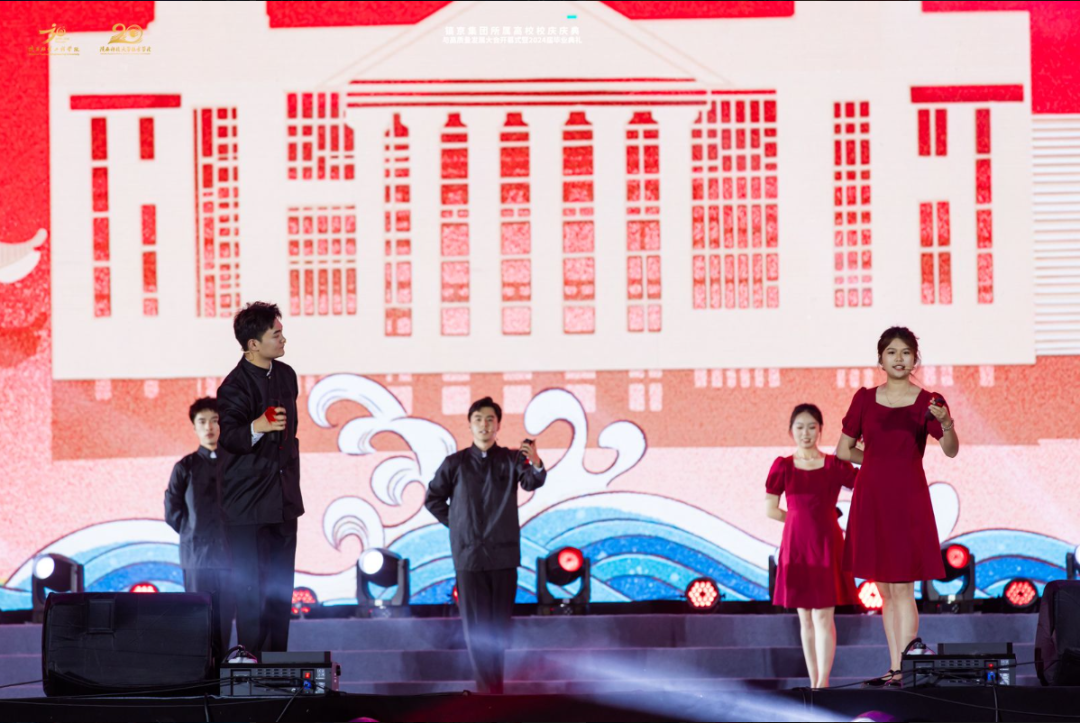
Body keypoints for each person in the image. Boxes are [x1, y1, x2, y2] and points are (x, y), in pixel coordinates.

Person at [835, 326, 959, 688]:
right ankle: (895, 667)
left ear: (915, 359)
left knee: (904, 588)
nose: (899, 358)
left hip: (907, 499)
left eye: (906, 352)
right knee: (886, 591)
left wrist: (946, 423)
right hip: (872, 498)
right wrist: (877, 462)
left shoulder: (928, 401)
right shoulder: (864, 399)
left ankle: (908, 667)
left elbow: (950, 450)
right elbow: (843, 450)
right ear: (880, 359)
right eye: (891, 352)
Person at [424, 396, 546, 694]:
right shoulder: (455, 463)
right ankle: (485, 693)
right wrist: (459, 525)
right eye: (478, 419)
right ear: (470, 425)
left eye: (490, 419)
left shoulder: (511, 459)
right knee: (477, 631)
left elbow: (531, 481)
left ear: (498, 425)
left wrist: (536, 462)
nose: (484, 425)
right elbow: (433, 499)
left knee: (498, 629)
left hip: (503, 557)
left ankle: (496, 691)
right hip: (469, 559)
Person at [216, 302, 303, 660]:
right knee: (252, 593)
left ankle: (277, 665)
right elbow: (230, 437)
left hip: (283, 502)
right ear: (253, 344)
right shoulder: (233, 386)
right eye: (275, 334)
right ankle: (251, 664)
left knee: (280, 591)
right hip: (247, 507)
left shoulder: (287, 375)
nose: (283, 339)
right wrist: (258, 426)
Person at [765, 403, 858, 689]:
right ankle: (814, 681)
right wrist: (798, 520)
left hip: (827, 544)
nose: (805, 433)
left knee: (823, 616)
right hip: (796, 547)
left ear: (820, 430)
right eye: (800, 427)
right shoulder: (783, 466)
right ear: (791, 431)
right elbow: (770, 510)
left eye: (811, 427)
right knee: (805, 618)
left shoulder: (834, 465)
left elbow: (863, 484)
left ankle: (822, 683)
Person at [164, 397, 234, 666]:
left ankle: (224, 676)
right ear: (194, 427)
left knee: (225, 624)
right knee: (198, 622)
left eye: (215, 421)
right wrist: (192, 532)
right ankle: (200, 677)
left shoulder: (237, 465)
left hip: (232, 559)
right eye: (202, 422)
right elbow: (172, 511)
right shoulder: (185, 467)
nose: (209, 427)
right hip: (197, 559)